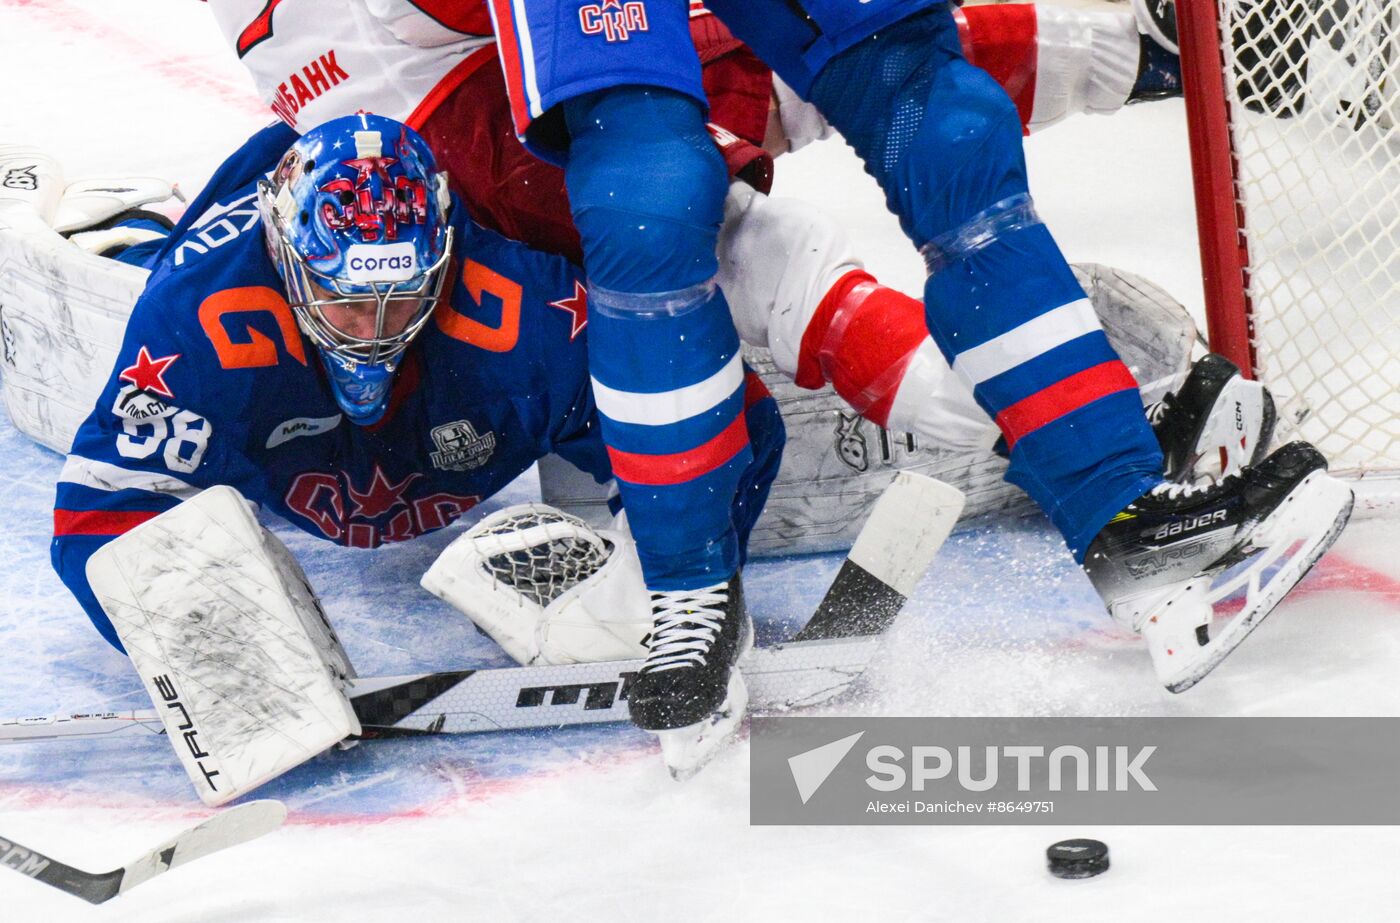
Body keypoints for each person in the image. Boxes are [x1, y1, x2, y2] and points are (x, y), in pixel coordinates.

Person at [39, 112, 787, 721]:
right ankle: (125, 229)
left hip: (413, 414)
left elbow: (733, 416)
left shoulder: (532, 311)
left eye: (402, 297)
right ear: (286, 262)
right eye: (346, 299)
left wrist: (673, 577)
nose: (372, 332)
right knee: (137, 286)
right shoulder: (196, 322)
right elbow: (95, 511)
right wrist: (205, 639)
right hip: (208, 311)